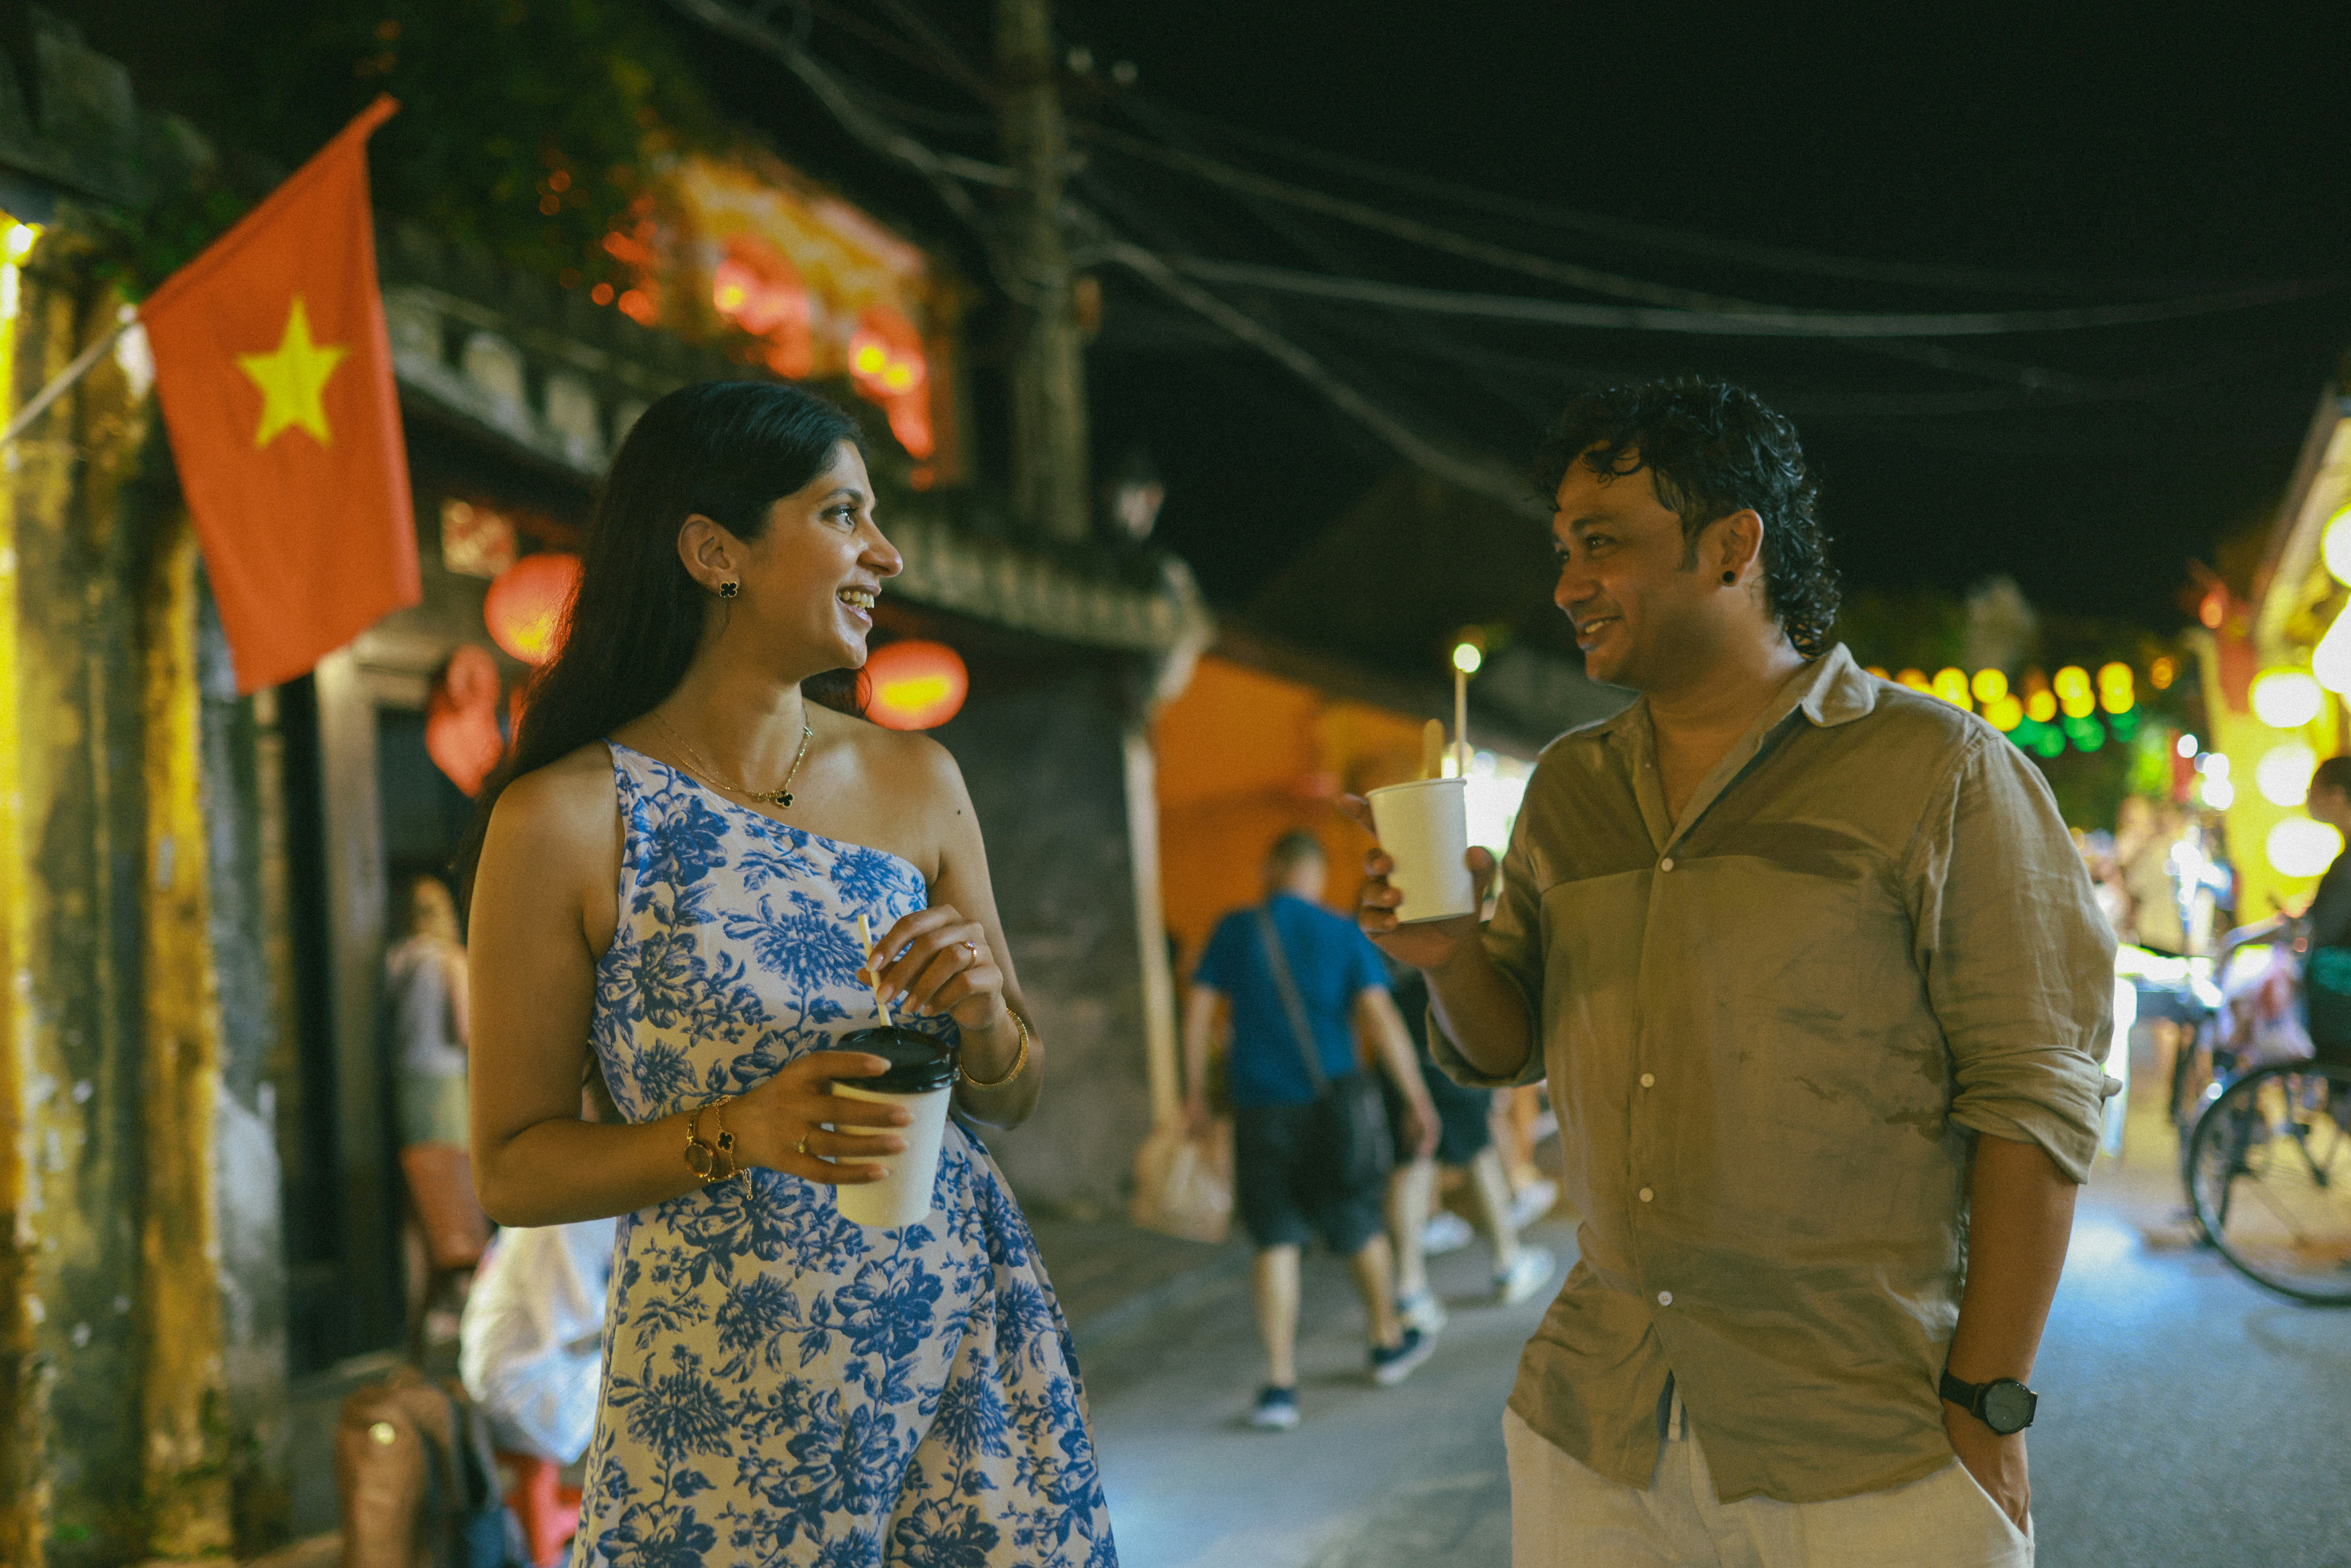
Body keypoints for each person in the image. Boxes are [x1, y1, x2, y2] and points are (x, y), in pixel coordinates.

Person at [1352, 377, 2113, 1567]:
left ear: (1731, 545)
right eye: (1560, 548)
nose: (1563, 585)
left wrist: (1987, 1399)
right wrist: (1446, 958)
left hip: (1869, 1436)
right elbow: (1504, 1046)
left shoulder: (1936, 770)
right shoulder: (1570, 789)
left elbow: (2035, 1099)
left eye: (1600, 543)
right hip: (1599, 1430)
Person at [462, 381, 1115, 1567]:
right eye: (841, 515)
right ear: (717, 552)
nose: (885, 552)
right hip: (724, 1380)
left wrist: (982, 1016)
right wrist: (740, 1129)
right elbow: (511, 1166)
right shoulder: (563, 821)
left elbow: (1011, 1093)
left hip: (960, 1335)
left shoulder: (919, 780)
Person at [1182, 830, 1441, 1431]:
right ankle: (1385, 1342)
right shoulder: (1341, 932)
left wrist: (1194, 1094)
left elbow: (1197, 1014)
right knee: (1355, 1220)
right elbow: (1381, 1020)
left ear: (1272, 868)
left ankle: (1279, 1383)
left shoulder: (1236, 929)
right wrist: (1416, 1097)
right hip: (1334, 1107)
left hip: (1260, 1110)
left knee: (1275, 1238)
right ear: (1317, 876)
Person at [1379, 958, 1557, 1332]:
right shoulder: (1437, 903)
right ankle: (1508, 1262)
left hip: (1400, 1055)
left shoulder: (1370, 912)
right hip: (1444, 1047)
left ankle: (1410, 1289)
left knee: (1415, 1160)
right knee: (1479, 1150)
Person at [387, 874, 471, 1148]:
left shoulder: (396, 958)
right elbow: (462, 1031)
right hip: (443, 1078)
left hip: (405, 1074)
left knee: (418, 1171)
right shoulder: (452, 958)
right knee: (451, 1171)